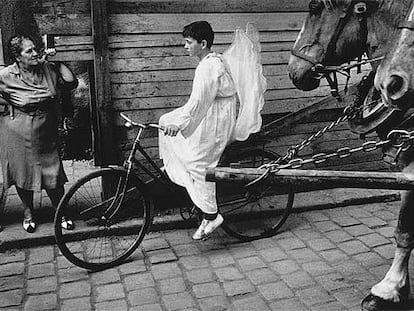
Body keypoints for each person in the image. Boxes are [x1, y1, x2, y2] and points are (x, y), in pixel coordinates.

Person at [159, 21, 238, 240]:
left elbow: (199, 103)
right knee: (165, 120)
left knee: (198, 163)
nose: (185, 46)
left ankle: (211, 214)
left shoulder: (209, 66)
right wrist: (175, 122)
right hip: (211, 112)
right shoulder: (209, 61)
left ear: (202, 43)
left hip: (216, 120)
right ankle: (174, 166)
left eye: (188, 42)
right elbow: (198, 103)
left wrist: (181, 125)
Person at [0, 34, 78, 233]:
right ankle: (28, 213)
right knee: (23, 172)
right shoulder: (6, 75)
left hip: (45, 128)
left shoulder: (47, 68)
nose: (35, 53)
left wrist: (58, 61)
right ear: (18, 57)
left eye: (35, 49)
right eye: (29, 51)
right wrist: (5, 104)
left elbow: (71, 83)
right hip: (16, 130)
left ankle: (61, 212)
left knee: (53, 171)